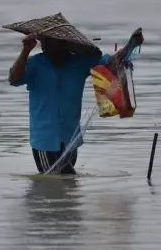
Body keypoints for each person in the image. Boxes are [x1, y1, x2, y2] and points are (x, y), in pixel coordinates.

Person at [9, 28, 144, 174]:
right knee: (62, 178)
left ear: (65, 44)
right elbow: (14, 79)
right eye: (44, 42)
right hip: (45, 141)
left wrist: (131, 45)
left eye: (52, 42)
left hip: (70, 139)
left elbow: (111, 63)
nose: (46, 46)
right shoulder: (34, 64)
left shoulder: (79, 63)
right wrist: (26, 50)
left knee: (64, 187)